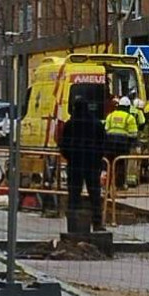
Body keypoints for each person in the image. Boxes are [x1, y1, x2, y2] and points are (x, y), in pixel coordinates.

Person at [60, 98, 107, 232]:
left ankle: (73, 224)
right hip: (92, 164)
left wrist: (70, 157)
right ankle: (97, 223)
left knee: (74, 195)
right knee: (94, 194)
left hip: (75, 164)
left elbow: (63, 145)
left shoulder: (70, 124)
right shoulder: (96, 123)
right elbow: (103, 143)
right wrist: (97, 158)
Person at [104, 96, 137, 189]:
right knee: (121, 164)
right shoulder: (130, 117)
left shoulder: (110, 115)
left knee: (109, 164)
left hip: (109, 143)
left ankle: (107, 184)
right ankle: (119, 185)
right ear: (128, 107)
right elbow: (133, 134)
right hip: (122, 145)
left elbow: (106, 129)